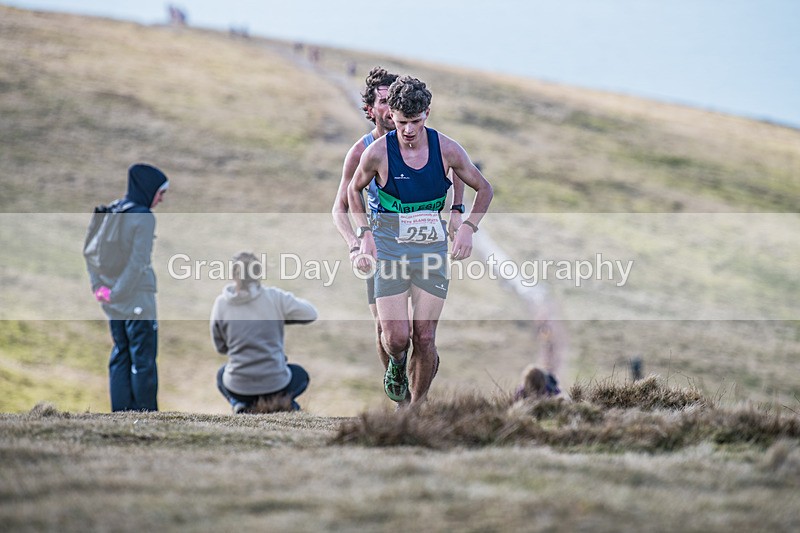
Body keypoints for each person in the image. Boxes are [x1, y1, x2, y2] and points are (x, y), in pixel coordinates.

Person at [348, 76, 493, 406]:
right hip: (389, 249)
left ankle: (416, 409)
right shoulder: (377, 153)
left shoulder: (447, 149)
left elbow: (484, 188)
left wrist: (468, 225)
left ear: (427, 113)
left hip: (430, 251)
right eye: (401, 123)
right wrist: (364, 234)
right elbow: (352, 190)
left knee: (425, 335)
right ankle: (397, 364)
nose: (408, 130)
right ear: (391, 116)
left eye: (415, 122)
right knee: (397, 338)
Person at [332, 67, 465, 399]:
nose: (392, 106)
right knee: (389, 333)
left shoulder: (422, 142)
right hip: (380, 246)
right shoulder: (362, 151)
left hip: (423, 246)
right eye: (384, 100)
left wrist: (458, 213)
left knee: (424, 337)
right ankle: (397, 373)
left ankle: (414, 404)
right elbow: (340, 207)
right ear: (373, 110)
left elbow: (458, 170)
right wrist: (356, 244)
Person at [88, 163, 169, 412]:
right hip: (137, 300)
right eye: (161, 192)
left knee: (121, 354)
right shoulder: (143, 217)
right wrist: (120, 293)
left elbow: (89, 253)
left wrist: (100, 289)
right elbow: (138, 263)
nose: (162, 199)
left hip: (113, 301)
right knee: (143, 358)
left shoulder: (113, 210)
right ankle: (146, 415)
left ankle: (120, 414)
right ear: (148, 189)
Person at [211, 252, 318, 414]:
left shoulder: (221, 304)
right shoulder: (274, 297)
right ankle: (282, 404)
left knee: (221, 375)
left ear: (233, 274)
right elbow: (311, 314)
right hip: (276, 385)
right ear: (259, 273)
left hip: (239, 387)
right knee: (301, 375)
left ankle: (239, 404)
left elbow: (220, 348)